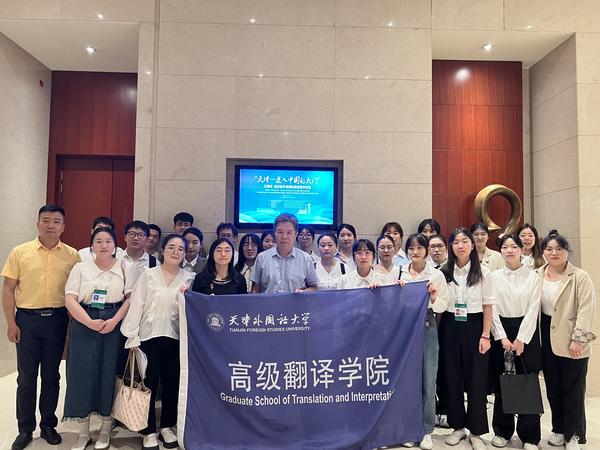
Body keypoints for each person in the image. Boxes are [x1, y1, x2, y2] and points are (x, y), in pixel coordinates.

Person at [1, 205, 80, 450]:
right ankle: (25, 428)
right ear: (37, 224)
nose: (50, 225)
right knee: (26, 377)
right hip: (27, 320)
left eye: (56, 221)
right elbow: (8, 289)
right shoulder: (20, 252)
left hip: (57, 320)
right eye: (46, 220)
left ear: (63, 226)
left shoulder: (72, 255)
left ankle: (48, 425)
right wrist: (11, 322)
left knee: (51, 375)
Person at [121, 234, 195, 450]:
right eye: (171, 247)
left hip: (175, 339)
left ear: (184, 253)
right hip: (148, 338)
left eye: (180, 249)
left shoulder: (189, 278)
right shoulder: (148, 274)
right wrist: (132, 335)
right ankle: (148, 431)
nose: (175, 252)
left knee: (172, 384)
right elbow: (137, 304)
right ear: (163, 250)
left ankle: (167, 426)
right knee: (148, 385)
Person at [63, 227, 131, 450]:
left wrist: (114, 321)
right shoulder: (81, 268)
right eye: (98, 241)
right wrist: (89, 322)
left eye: (108, 241)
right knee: (81, 374)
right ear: (92, 245)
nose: (103, 245)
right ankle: (83, 433)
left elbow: (130, 298)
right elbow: (70, 299)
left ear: (115, 245)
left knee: (109, 373)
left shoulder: (124, 266)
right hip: (84, 323)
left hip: (114, 322)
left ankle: (105, 429)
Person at [538, 230, 596, 450]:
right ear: (543, 252)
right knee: (553, 388)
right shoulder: (537, 274)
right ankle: (558, 429)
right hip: (546, 337)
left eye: (559, 249)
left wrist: (578, 339)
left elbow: (586, 310)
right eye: (549, 249)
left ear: (567, 251)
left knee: (573, 389)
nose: (554, 253)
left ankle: (573, 435)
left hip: (571, 337)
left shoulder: (580, 276)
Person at [439, 227, 494, 450]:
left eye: (464, 241)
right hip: (451, 325)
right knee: (452, 377)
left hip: (475, 325)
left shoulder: (484, 272)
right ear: (450, 246)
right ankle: (458, 426)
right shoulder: (444, 272)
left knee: (476, 379)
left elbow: (488, 306)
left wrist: (485, 335)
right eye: (456, 242)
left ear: (472, 245)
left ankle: (477, 431)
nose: (460, 245)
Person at [488, 234, 542, 450]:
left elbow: (534, 308)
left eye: (513, 247)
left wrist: (521, 338)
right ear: (500, 251)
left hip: (526, 330)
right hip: (501, 330)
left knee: (527, 382)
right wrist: (501, 336)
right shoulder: (493, 277)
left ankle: (529, 436)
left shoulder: (533, 277)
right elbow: (490, 308)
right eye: (505, 247)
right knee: (504, 380)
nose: (509, 250)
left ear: (522, 250)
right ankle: (502, 431)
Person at [399, 234, 449, 450]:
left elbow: (443, 306)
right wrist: (397, 290)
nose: (415, 251)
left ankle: (427, 429)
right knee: (408, 380)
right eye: (411, 248)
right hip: (404, 327)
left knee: (428, 379)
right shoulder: (399, 272)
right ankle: (410, 428)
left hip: (427, 325)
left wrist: (434, 296)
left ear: (427, 250)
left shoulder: (436, 275)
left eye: (420, 247)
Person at [251, 213, 319, 293]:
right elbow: (255, 289)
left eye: (289, 232)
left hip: (296, 301)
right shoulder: (262, 257)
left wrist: (303, 292)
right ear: (274, 233)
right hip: (268, 301)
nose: (284, 236)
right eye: (280, 232)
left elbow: (314, 288)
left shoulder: (306, 259)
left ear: (295, 234)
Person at [122, 221, 159, 285]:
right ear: (125, 237)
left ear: (146, 239)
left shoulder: (154, 263)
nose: (136, 238)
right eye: (132, 234)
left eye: (141, 235)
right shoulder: (115, 258)